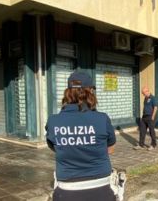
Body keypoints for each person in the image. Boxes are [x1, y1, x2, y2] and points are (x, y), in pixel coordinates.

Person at [45, 71, 117, 200]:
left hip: (67, 191)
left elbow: (55, 148)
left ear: (68, 92)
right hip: (101, 190)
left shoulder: (53, 121)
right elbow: (110, 149)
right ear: (90, 92)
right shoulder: (102, 119)